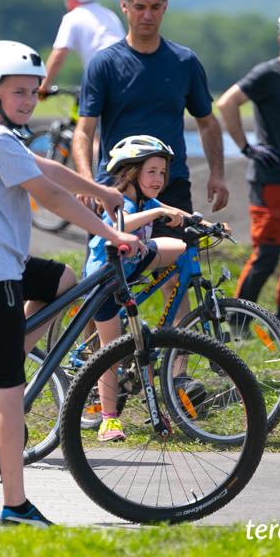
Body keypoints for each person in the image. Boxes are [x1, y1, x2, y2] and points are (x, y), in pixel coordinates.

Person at [0, 40, 141, 527]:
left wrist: (102, 191)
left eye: (34, 92)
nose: (28, 100)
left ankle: (4, 356)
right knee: (8, 391)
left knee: (63, 279)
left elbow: (48, 170)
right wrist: (109, 234)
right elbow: (45, 193)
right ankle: (15, 506)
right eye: (18, 92)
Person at [72, 0, 227, 325]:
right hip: (116, 187)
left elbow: (207, 123)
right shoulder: (104, 63)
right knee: (102, 283)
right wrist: (87, 183)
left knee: (178, 276)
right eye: (140, 7)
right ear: (124, 7)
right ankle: (94, 369)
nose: (147, 15)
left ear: (166, 7)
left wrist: (218, 172)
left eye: (155, 7)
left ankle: (179, 375)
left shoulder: (184, 62)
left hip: (169, 182)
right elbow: (84, 130)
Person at [216, 7, 280, 333]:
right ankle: (237, 322)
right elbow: (226, 103)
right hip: (270, 181)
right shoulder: (267, 73)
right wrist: (246, 148)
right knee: (267, 255)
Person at [83, 135, 186, 441]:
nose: (159, 178)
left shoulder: (147, 202)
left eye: (163, 172)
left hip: (131, 267)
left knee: (180, 247)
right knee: (110, 354)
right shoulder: (122, 202)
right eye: (152, 171)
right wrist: (156, 213)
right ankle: (108, 420)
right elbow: (119, 225)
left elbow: (173, 211)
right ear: (131, 173)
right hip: (105, 280)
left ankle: (177, 283)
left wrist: (203, 223)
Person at [38, 0, 125, 94]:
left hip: (101, 74)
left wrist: (42, 86)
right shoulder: (110, 14)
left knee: (89, 110)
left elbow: (58, 55)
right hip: (126, 70)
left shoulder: (72, 17)